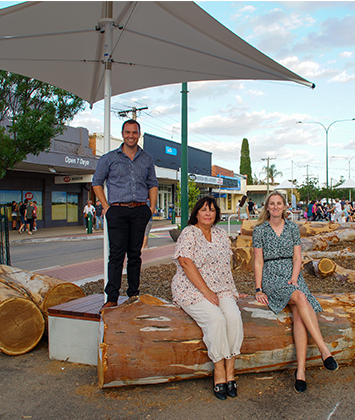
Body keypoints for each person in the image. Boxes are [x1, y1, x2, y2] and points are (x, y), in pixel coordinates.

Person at [253, 192, 338, 394]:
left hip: (293, 274)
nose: (275, 207)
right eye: (271, 204)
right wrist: (258, 288)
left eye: (279, 203)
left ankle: (300, 372)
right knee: (300, 297)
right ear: (267, 207)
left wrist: (294, 277)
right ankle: (324, 349)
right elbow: (258, 261)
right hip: (272, 276)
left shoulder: (292, 227)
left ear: (284, 206)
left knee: (300, 313)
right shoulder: (260, 230)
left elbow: (298, 258)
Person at [171, 196, 243, 400]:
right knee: (216, 319)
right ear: (196, 213)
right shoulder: (189, 233)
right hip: (192, 288)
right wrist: (206, 291)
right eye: (203, 210)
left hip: (221, 287)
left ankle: (231, 371)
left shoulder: (221, 234)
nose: (208, 213)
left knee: (234, 319)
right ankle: (219, 372)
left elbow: (225, 266)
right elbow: (185, 262)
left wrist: (233, 290)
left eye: (211, 210)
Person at [92, 119, 158, 311]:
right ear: (122, 134)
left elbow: (152, 183)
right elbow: (97, 182)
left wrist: (151, 208)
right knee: (116, 255)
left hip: (139, 210)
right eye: (127, 132)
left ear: (139, 134)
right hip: (117, 211)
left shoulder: (147, 158)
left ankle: (133, 294)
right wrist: (106, 206)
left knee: (135, 256)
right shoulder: (109, 158)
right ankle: (112, 297)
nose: (131, 136)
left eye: (134, 132)